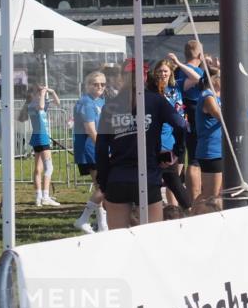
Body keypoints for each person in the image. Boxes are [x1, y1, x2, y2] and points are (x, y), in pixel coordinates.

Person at [95, 60, 188, 228]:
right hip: (148, 176)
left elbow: (101, 148)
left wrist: (103, 182)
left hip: (119, 177)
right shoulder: (156, 100)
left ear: (123, 77)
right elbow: (181, 125)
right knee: (152, 238)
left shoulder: (110, 106)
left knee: (118, 238)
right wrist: (176, 151)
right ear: (145, 77)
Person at [150, 60, 191, 209]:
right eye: (159, 71)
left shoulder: (176, 87)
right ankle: (172, 210)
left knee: (174, 180)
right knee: (169, 179)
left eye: (165, 71)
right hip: (159, 140)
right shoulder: (151, 91)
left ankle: (174, 210)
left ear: (171, 73)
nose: (162, 74)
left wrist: (179, 63)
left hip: (176, 137)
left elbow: (196, 79)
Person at [72, 71, 108, 232]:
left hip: (96, 147)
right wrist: (104, 149)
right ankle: (83, 219)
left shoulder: (100, 101)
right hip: (90, 148)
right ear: (87, 85)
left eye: (102, 84)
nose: (99, 87)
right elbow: (90, 130)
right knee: (103, 185)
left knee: (99, 186)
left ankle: (102, 224)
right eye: (95, 84)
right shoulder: (86, 103)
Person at [172, 41, 205, 200]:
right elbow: (199, 80)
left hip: (179, 113)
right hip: (193, 113)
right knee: (194, 158)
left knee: (180, 154)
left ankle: (177, 195)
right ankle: (194, 197)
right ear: (200, 55)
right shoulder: (197, 71)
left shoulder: (179, 70)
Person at [20, 83, 62, 206]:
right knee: (49, 168)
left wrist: (52, 91)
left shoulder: (34, 104)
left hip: (38, 137)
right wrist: (43, 93)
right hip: (42, 137)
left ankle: (38, 197)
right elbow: (42, 106)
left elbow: (58, 103)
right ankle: (45, 196)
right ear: (35, 93)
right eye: (40, 91)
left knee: (38, 169)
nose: (43, 92)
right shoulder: (34, 104)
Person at [195, 70, 224, 207]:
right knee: (210, 193)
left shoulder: (217, 96)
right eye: (219, 76)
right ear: (211, 79)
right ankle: (192, 217)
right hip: (211, 151)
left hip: (220, 150)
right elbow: (220, 115)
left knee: (219, 192)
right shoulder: (207, 95)